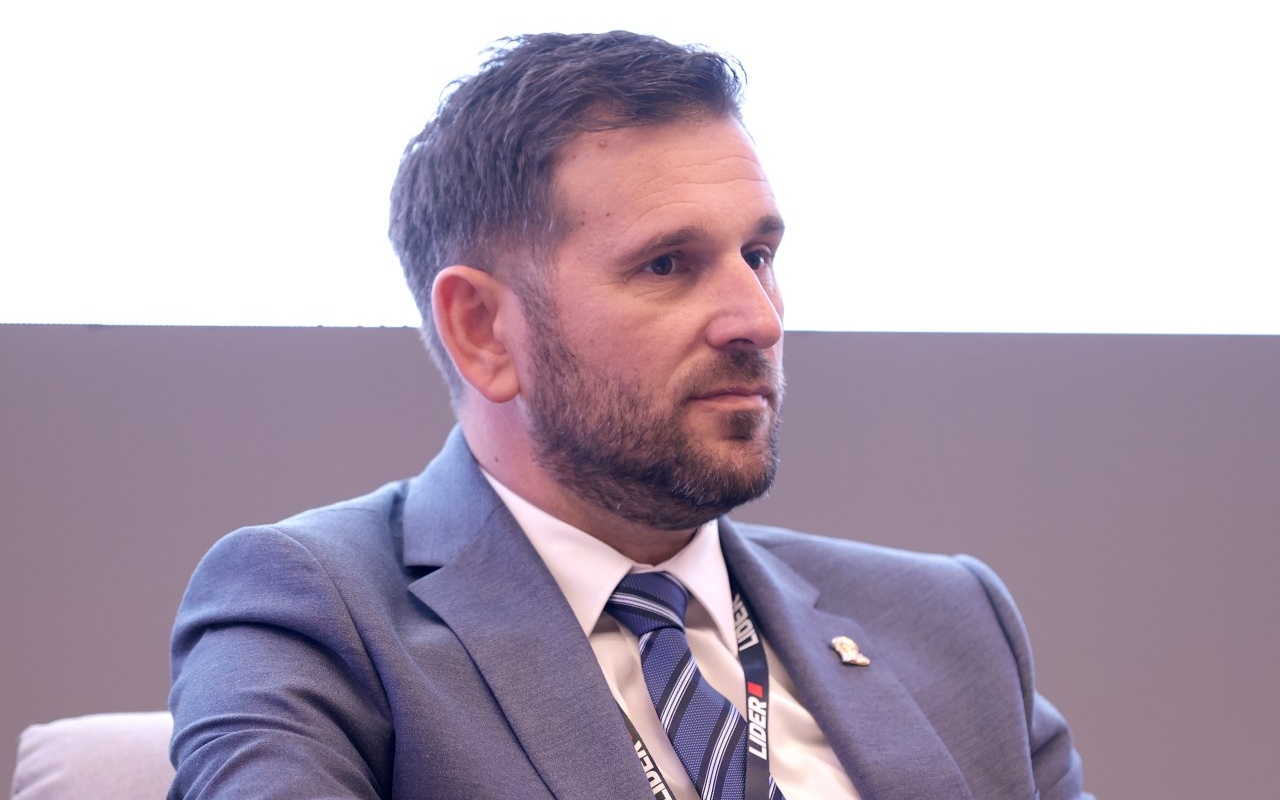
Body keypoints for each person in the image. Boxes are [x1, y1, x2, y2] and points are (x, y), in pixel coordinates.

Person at [167, 31, 1092, 800]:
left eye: (758, 256)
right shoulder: (317, 616)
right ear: (482, 329)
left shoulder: (949, 620)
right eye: (666, 265)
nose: (757, 320)